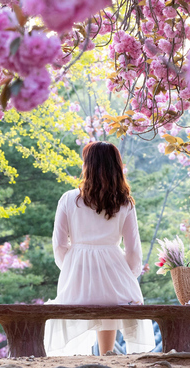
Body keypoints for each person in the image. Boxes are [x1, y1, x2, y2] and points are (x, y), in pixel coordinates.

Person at [44, 141, 155, 356]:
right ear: (116, 166)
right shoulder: (125, 202)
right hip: (114, 275)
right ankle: (107, 354)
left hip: (77, 273)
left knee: (76, 299)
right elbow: (133, 250)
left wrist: (71, 268)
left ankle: (78, 358)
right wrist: (130, 275)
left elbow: (59, 244)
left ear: (88, 166)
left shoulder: (69, 199)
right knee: (110, 297)